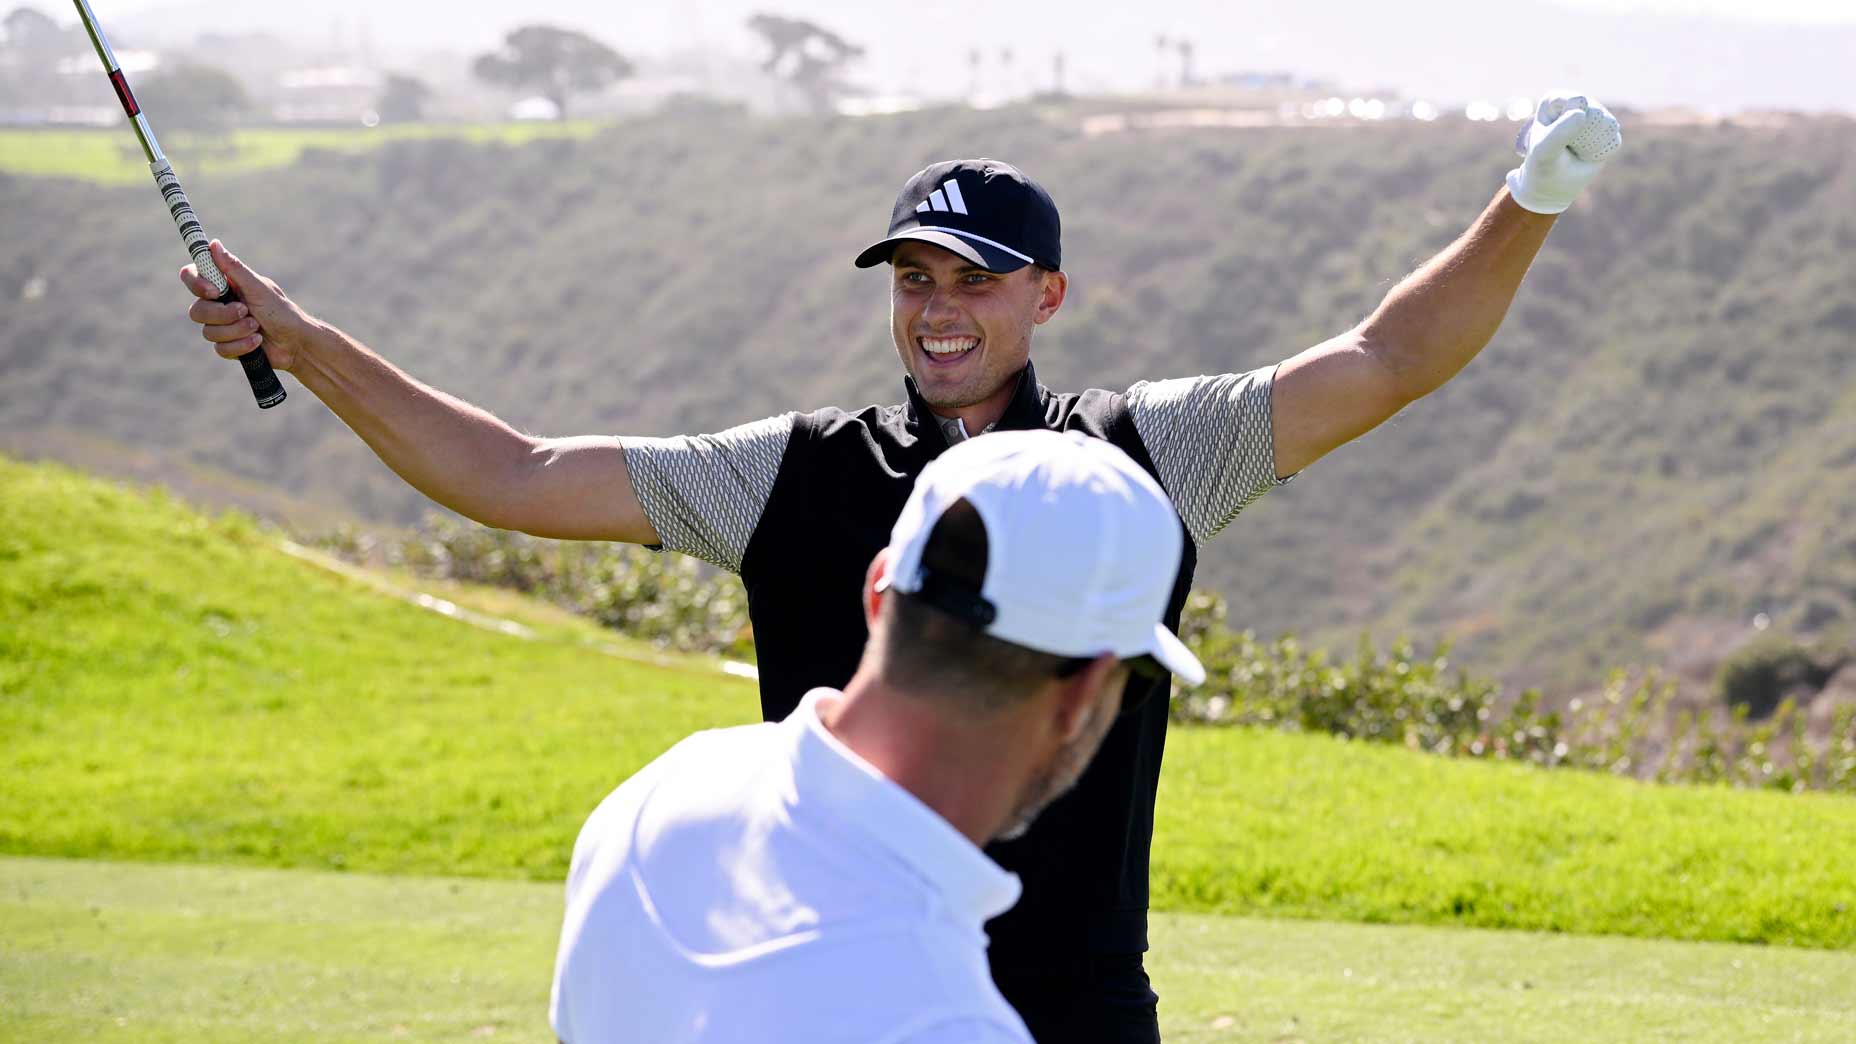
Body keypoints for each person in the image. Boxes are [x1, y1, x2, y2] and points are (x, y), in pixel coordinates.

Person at [181, 92, 1622, 1042]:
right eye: (914, 279)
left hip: (1073, 1001)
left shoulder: (1146, 451)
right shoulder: (787, 470)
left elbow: (1383, 359)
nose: (939, 312)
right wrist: (299, 344)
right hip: (826, 968)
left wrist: (1530, 199)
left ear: (1045, 296)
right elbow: (516, 474)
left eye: (976, 279)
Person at [549, 428, 1206, 1043]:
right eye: (1138, 678)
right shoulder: (949, 1023)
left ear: (877, 593)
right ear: (1086, 693)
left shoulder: (649, 801)